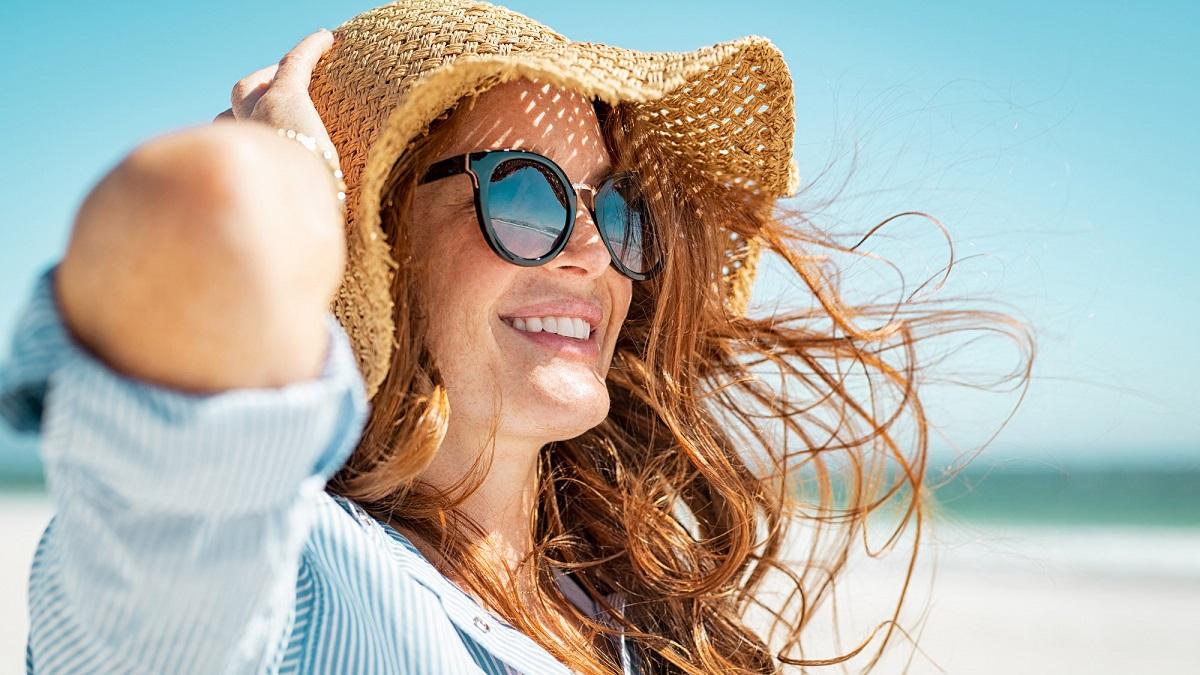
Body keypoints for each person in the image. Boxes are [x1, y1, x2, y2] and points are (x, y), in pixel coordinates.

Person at [2, 1, 1034, 673]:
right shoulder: (276, 585)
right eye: (524, 196)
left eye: (617, 207)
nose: (590, 249)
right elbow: (193, 213)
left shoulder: (630, 616)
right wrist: (289, 187)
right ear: (378, 237)